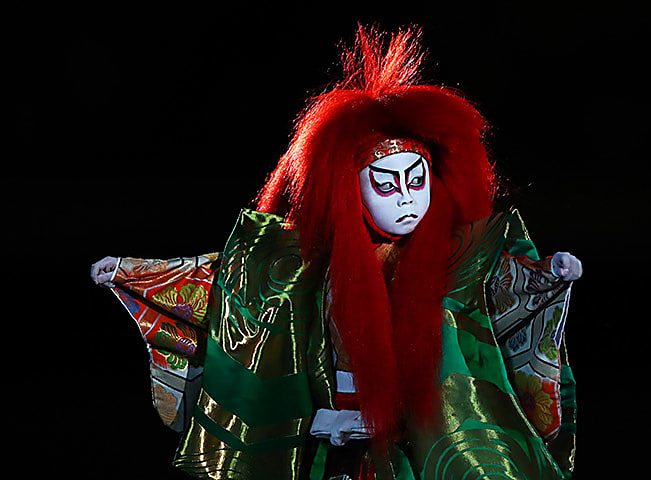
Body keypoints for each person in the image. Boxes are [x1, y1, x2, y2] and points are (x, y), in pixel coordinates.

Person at [91, 25, 582, 480]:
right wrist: (134, 275)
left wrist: (549, 276)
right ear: (351, 189)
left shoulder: (464, 254)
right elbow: (226, 283)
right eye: (387, 186)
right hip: (328, 433)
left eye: (417, 181)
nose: (407, 198)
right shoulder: (301, 259)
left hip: (422, 437)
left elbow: (508, 286)